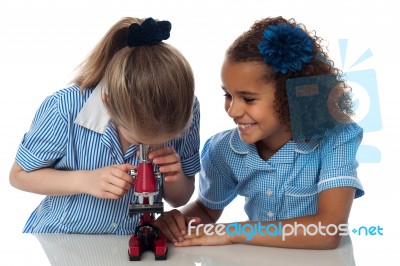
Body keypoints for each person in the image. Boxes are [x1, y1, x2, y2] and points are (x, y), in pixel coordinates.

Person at [154, 16, 364, 249]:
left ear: (291, 95)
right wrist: (177, 222)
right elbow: (206, 210)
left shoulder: (337, 139)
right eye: (228, 95)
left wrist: (234, 231)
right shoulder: (223, 149)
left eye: (248, 98)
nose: (233, 110)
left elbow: (328, 231)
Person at [9, 17, 200, 234]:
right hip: (62, 241)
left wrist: (175, 179)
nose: (148, 148)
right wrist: (85, 180)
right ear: (108, 103)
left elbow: (180, 198)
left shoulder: (187, 108)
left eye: (163, 140)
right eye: (140, 140)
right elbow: (19, 175)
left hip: (127, 242)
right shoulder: (65, 107)